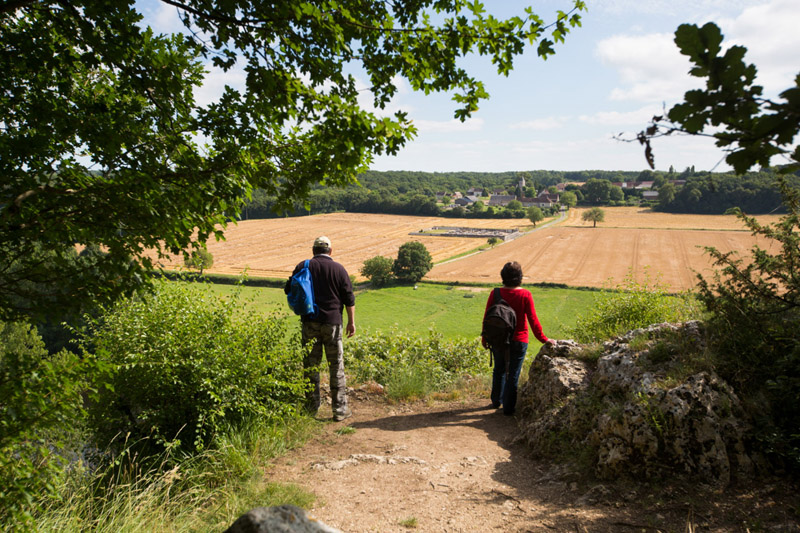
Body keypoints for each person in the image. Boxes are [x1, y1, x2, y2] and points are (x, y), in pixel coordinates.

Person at [285, 236, 356, 421]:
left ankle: (310, 408)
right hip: (332, 323)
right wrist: (351, 322)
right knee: (336, 366)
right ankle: (339, 410)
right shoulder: (339, 269)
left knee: (310, 366)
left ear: (313, 250)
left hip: (309, 322)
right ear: (330, 251)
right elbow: (349, 298)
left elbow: (287, 289)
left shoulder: (303, 266)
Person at [481, 261, 553, 416]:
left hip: (498, 338)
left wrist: (484, 337)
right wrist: (544, 339)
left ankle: (495, 400)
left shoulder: (496, 293)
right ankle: (508, 408)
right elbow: (533, 320)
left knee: (498, 369)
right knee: (513, 373)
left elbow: (487, 316)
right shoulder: (525, 295)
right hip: (519, 339)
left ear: (503, 276)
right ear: (520, 277)